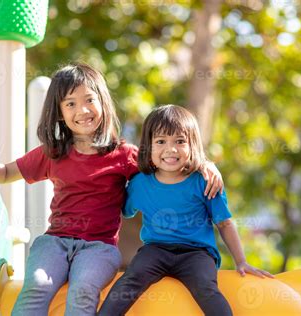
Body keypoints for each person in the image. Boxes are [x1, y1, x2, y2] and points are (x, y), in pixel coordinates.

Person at [0, 63, 223, 316]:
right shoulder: (53, 152)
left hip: (99, 247)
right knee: (37, 284)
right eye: (70, 103)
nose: (82, 110)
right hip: (54, 242)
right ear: (59, 112)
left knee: (83, 290)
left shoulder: (124, 155)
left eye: (89, 100)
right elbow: (5, 173)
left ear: (103, 102)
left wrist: (205, 164)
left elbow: (167, 163)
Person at [98, 104, 274, 316]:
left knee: (206, 289)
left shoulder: (205, 182)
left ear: (193, 145)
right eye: (161, 141)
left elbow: (224, 223)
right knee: (129, 280)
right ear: (149, 147)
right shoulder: (140, 184)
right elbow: (122, 211)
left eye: (180, 141)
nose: (171, 149)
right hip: (156, 249)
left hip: (197, 253)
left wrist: (241, 261)